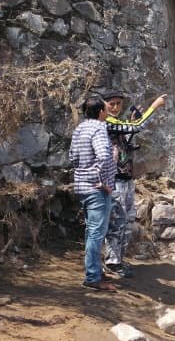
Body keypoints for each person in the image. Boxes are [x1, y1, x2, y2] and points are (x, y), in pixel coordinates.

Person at [101, 90, 168, 279]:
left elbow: (127, 138)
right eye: (111, 104)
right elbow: (137, 127)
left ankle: (117, 259)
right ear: (103, 105)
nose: (115, 107)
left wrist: (131, 122)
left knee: (127, 219)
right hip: (115, 179)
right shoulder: (108, 122)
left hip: (125, 177)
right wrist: (154, 107)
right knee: (117, 221)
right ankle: (112, 262)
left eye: (118, 103)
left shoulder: (117, 123)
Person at [68, 97, 117, 291]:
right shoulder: (99, 128)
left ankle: (95, 271)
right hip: (97, 189)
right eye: (106, 108)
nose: (109, 111)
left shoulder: (79, 129)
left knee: (91, 232)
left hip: (82, 186)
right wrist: (104, 182)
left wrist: (84, 173)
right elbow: (104, 156)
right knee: (96, 233)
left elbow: (72, 157)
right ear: (100, 112)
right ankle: (93, 277)